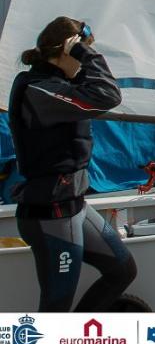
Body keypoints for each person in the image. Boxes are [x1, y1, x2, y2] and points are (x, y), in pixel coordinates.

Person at [9, 17, 136, 311]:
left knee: (122, 271)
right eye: (79, 52)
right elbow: (108, 96)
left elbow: (92, 90)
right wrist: (85, 54)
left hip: (73, 206)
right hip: (50, 215)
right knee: (56, 306)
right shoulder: (39, 91)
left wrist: (80, 56)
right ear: (67, 52)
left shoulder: (55, 85)